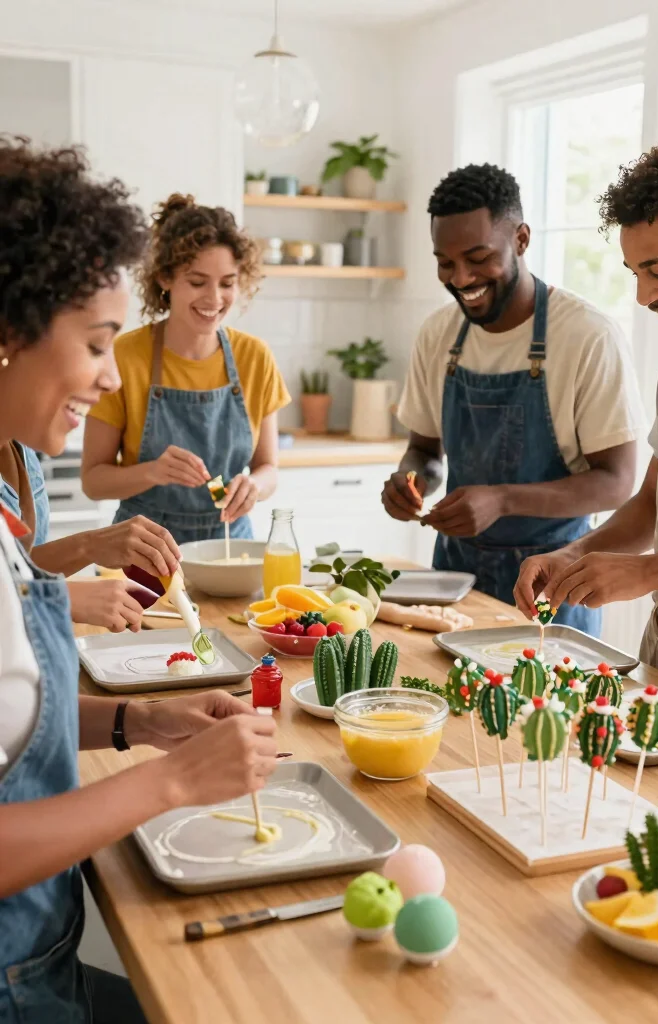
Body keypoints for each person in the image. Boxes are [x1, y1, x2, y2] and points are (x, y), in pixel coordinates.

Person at [0, 138, 277, 1024]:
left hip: (38, 955)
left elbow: (13, 721)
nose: (113, 375)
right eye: (94, 344)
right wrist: (174, 783)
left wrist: (140, 720)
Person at [382, 162, 646, 635]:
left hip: (552, 584)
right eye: (445, 261)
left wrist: (502, 499)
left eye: (478, 257)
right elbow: (425, 451)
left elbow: (617, 482)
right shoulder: (439, 333)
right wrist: (411, 480)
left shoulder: (587, 336)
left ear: (521, 239)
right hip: (452, 583)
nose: (461, 277)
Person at [515, 136, 658, 684]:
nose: (644, 297)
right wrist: (573, 555)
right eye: (634, 273)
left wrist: (647, 572)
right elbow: (651, 503)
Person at [81, 193, 290, 545]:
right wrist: (152, 472)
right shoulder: (125, 356)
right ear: (165, 278)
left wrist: (254, 486)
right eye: (197, 282)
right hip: (141, 547)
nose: (214, 299)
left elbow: (268, 468)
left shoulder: (254, 357)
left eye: (227, 283)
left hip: (230, 542)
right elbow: (93, 480)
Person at [0, 439, 182, 632]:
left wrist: (88, 546)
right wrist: (59, 597)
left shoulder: (22, 449)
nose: (92, 407)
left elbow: (17, 567)